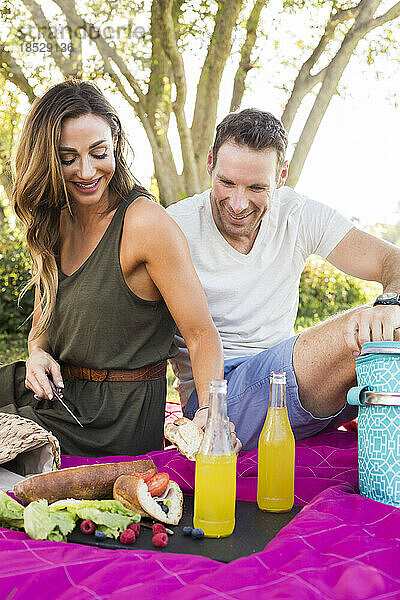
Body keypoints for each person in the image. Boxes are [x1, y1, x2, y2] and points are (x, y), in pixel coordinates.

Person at [0, 79, 229, 458]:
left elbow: (202, 333)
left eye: (98, 152)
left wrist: (209, 413)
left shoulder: (145, 224)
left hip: (112, 419)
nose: (86, 171)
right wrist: (38, 353)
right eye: (68, 158)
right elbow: (44, 318)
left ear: (116, 143)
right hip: (59, 393)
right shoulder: (57, 218)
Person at [167, 108, 400, 451]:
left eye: (256, 187)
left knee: (387, 326)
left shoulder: (297, 214)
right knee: (359, 327)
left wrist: (390, 303)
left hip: (290, 388)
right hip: (218, 399)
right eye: (227, 182)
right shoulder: (174, 226)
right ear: (210, 163)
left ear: (281, 176)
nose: (237, 203)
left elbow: (389, 259)